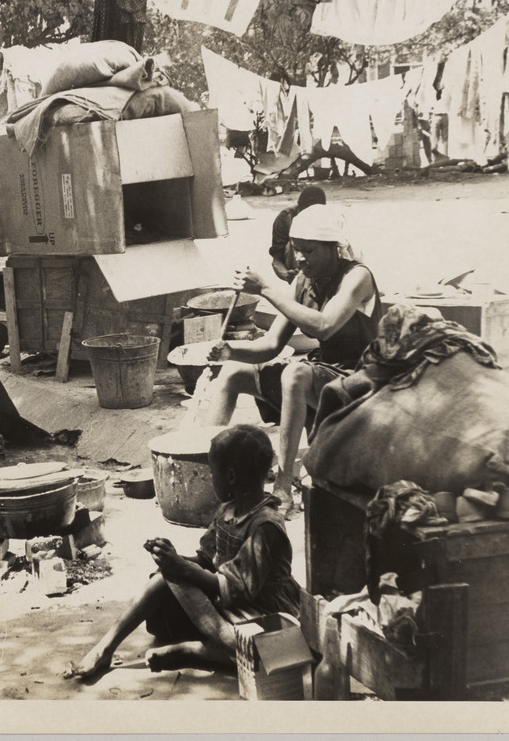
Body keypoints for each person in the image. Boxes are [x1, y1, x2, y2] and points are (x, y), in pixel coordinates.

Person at [69, 424, 300, 679]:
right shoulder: (227, 511)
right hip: (229, 606)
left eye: (212, 472)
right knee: (163, 581)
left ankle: (195, 651)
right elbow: (206, 559)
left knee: (268, 650)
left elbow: (237, 589)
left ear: (231, 477)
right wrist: (173, 558)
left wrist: (183, 568)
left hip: (262, 614)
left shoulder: (264, 526)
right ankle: (105, 648)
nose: (210, 478)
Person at [204, 204, 382, 513]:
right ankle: (204, 467)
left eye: (309, 251)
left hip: (361, 382)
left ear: (333, 248)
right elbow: (272, 344)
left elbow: (324, 326)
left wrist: (266, 290)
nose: (300, 258)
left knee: (295, 373)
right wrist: (231, 351)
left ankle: (283, 487)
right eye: (296, 249)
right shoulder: (302, 282)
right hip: (322, 377)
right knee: (233, 372)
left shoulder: (358, 276)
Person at [269, 186, 326, 282]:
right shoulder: (285, 218)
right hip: (296, 268)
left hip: (322, 268)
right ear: (298, 206)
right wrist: (287, 275)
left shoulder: (330, 219)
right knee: (292, 244)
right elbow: (277, 259)